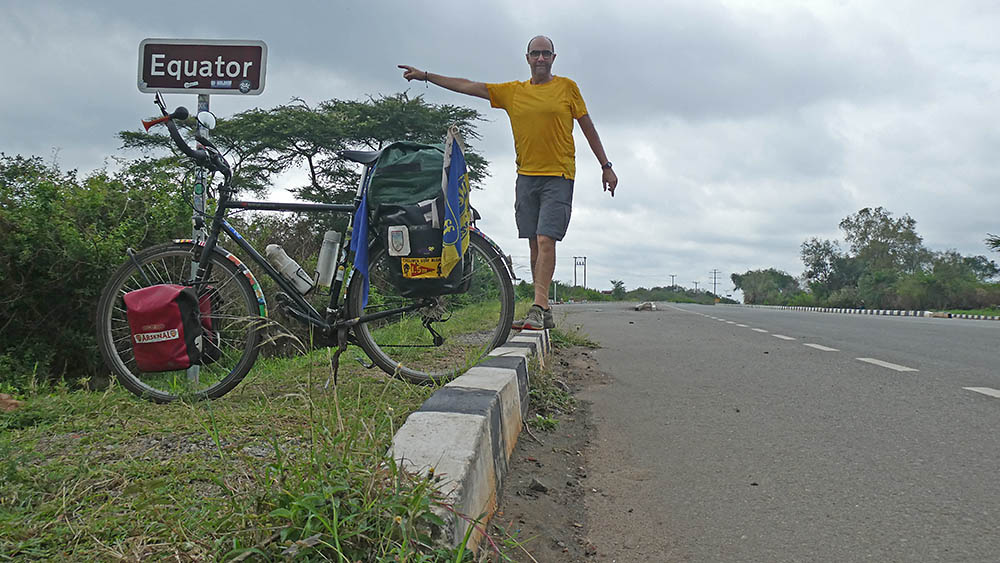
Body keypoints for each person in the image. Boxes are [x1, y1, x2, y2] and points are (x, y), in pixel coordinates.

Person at [399, 35, 618, 330]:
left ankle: (538, 308)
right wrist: (426, 76)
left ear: (554, 58)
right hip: (526, 176)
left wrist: (606, 166)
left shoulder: (568, 88)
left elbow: (587, 126)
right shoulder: (513, 93)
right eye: (535, 54)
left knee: (546, 238)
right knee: (533, 243)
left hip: (559, 175)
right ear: (527, 58)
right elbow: (468, 85)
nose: (540, 59)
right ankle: (544, 307)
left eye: (546, 54)